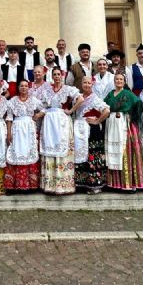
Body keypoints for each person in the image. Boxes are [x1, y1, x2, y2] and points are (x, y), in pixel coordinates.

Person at [104, 73, 143, 191]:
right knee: (113, 151)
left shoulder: (128, 94)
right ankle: (116, 183)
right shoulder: (110, 94)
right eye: (117, 79)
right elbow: (103, 106)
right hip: (112, 124)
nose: (119, 81)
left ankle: (129, 183)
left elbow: (139, 104)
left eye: (121, 79)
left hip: (124, 124)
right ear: (114, 81)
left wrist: (131, 115)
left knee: (126, 150)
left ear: (124, 82)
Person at [40, 67, 83, 195]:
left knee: (63, 149)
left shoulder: (68, 89)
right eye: (55, 74)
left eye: (59, 74)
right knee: (49, 148)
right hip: (49, 122)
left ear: (62, 75)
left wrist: (70, 110)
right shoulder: (47, 90)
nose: (57, 76)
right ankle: (50, 185)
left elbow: (80, 99)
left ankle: (64, 184)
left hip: (62, 121)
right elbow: (43, 106)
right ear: (52, 76)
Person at [4, 80, 44, 191]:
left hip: (29, 129)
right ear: (18, 87)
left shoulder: (33, 100)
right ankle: (14, 185)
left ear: (28, 88)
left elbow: (45, 108)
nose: (24, 88)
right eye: (21, 86)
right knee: (16, 152)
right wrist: (8, 133)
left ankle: (31, 185)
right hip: (16, 128)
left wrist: (37, 116)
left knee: (29, 152)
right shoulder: (12, 101)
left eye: (26, 86)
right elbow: (9, 118)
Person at [74, 76, 110, 193]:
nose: (87, 85)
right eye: (85, 82)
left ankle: (94, 184)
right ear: (81, 84)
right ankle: (81, 183)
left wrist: (97, 121)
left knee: (92, 156)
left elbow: (106, 110)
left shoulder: (94, 98)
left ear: (92, 85)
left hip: (91, 131)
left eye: (89, 83)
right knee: (81, 155)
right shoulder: (78, 97)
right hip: (79, 130)